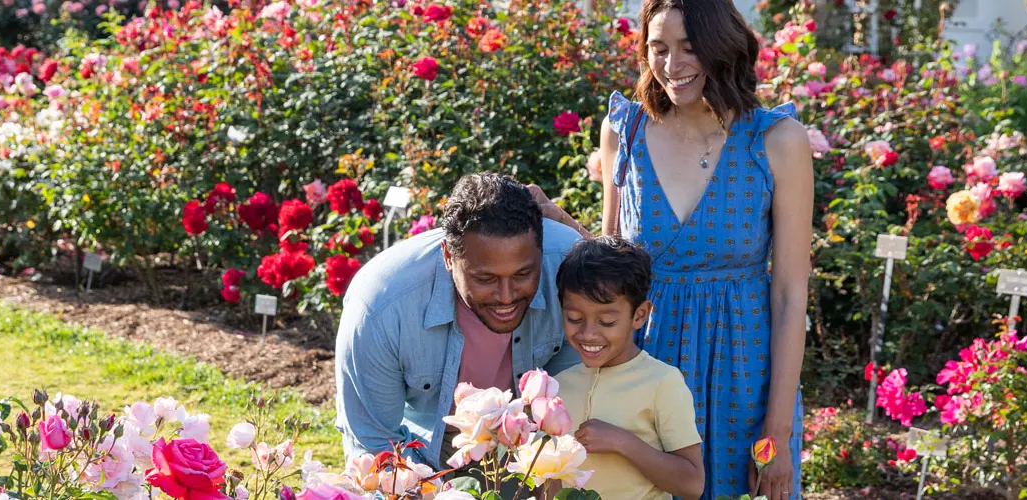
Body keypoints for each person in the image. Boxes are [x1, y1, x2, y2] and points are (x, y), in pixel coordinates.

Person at [595, 0, 814, 498]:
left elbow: (789, 295)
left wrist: (776, 429)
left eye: (690, 47)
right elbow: (604, 272)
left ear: (723, 45)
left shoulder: (776, 141)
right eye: (659, 48)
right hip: (644, 368)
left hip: (743, 374)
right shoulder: (622, 133)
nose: (673, 65)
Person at [334, 172, 589, 469]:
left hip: (532, 439)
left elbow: (581, 390)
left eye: (522, 274)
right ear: (448, 256)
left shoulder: (567, 267)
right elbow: (375, 445)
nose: (506, 297)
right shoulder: (380, 307)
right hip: (426, 448)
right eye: (485, 278)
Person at [555, 237, 704, 500]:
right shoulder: (557, 386)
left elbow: (692, 484)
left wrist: (623, 443)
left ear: (640, 315)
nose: (588, 333)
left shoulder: (663, 383)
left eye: (607, 321)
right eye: (574, 318)